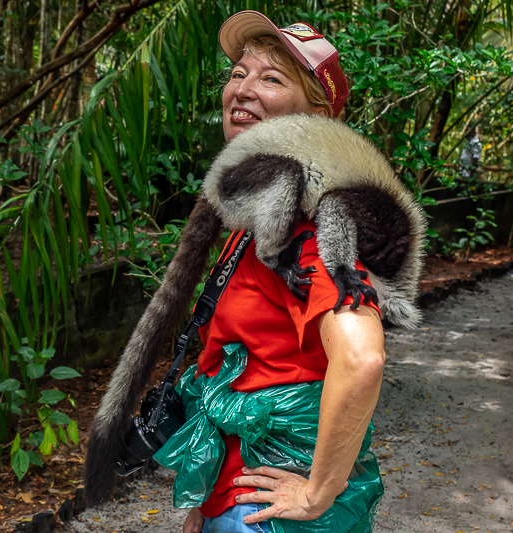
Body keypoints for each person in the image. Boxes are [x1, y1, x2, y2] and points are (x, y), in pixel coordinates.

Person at [176, 11, 386, 533]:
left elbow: (361, 359)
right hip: (232, 494)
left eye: (271, 78)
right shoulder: (253, 219)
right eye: (238, 73)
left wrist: (318, 492)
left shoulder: (309, 227)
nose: (243, 88)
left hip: (265, 513)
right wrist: (201, 507)